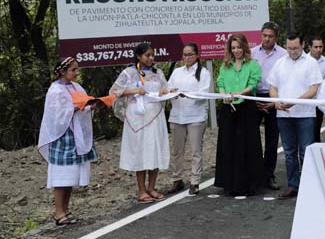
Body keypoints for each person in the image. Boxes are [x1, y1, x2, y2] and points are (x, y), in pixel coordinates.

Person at [37, 58, 98, 225]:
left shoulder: (76, 87)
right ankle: (58, 212)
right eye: (73, 70)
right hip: (62, 136)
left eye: (77, 69)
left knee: (71, 175)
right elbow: (55, 115)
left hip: (75, 136)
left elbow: (81, 106)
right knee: (61, 176)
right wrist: (77, 107)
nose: (77, 73)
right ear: (63, 71)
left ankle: (66, 209)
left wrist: (89, 106)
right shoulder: (55, 90)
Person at [110, 43, 171, 203]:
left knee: (155, 149)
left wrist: (166, 92)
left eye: (152, 55)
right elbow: (114, 92)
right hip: (137, 117)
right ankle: (142, 190)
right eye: (147, 55)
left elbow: (166, 89)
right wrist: (135, 91)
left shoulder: (158, 73)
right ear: (138, 56)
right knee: (140, 151)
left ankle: (152, 187)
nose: (151, 58)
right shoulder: (129, 73)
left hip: (155, 116)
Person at [268, 32, 323, 198]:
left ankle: (308, 185)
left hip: (305, 114)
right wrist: (276, 101)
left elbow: (314, 89)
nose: (292, 51)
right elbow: (273, 87)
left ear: (303, 45)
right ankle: (293, 185)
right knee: (289, 152)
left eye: (296, 48)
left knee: (305, 151)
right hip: (284, 115)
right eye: (289, 48)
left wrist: (295, 101)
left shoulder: (311, 63)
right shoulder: (279, 63)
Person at [214, 33, 264, 196]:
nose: (236, 51)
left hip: (246, 107)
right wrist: (224, 95)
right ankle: (229, 183)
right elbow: (220, 82)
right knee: (228, 143)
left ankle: (249, 183)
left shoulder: (253, 65)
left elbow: (253, 83)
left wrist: (240, 93)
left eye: (239, 47)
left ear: (244, 47)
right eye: (233, 48)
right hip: (228, 107)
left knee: (247, 143)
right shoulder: (225, 66)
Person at [167, 43, 211, 196]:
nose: (187, 58)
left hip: (195, 115)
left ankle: (195, 181)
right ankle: (177, 178)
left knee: (195, 150)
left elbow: (203, 93)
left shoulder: (203, 72)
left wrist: (187, 93)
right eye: (184, 55)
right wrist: (172, 92)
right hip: (177, 115)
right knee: (177, 151)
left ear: (197, 55)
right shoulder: (177, 72)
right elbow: (168, 89)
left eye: (190, 54)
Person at [251, 22, 286, 190]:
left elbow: (285, 81)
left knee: (272, 140)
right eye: (264, 35)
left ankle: (268, 175)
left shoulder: (283, 55)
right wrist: (253, 98)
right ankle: (253, 174)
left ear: (276, 37)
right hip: (254, 97)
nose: (267, 39)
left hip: (275, 98)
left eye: (270, 36)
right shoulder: (251, 53)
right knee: (251, 138)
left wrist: (274, 102)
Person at [307, 35, 325, 143]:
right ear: (309, 47)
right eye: (315, 47)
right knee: (306, 131)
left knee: (316, 130)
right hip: (306, 102)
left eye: (320, 47)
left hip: (319, 102)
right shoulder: (304, 60)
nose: (318, 49)